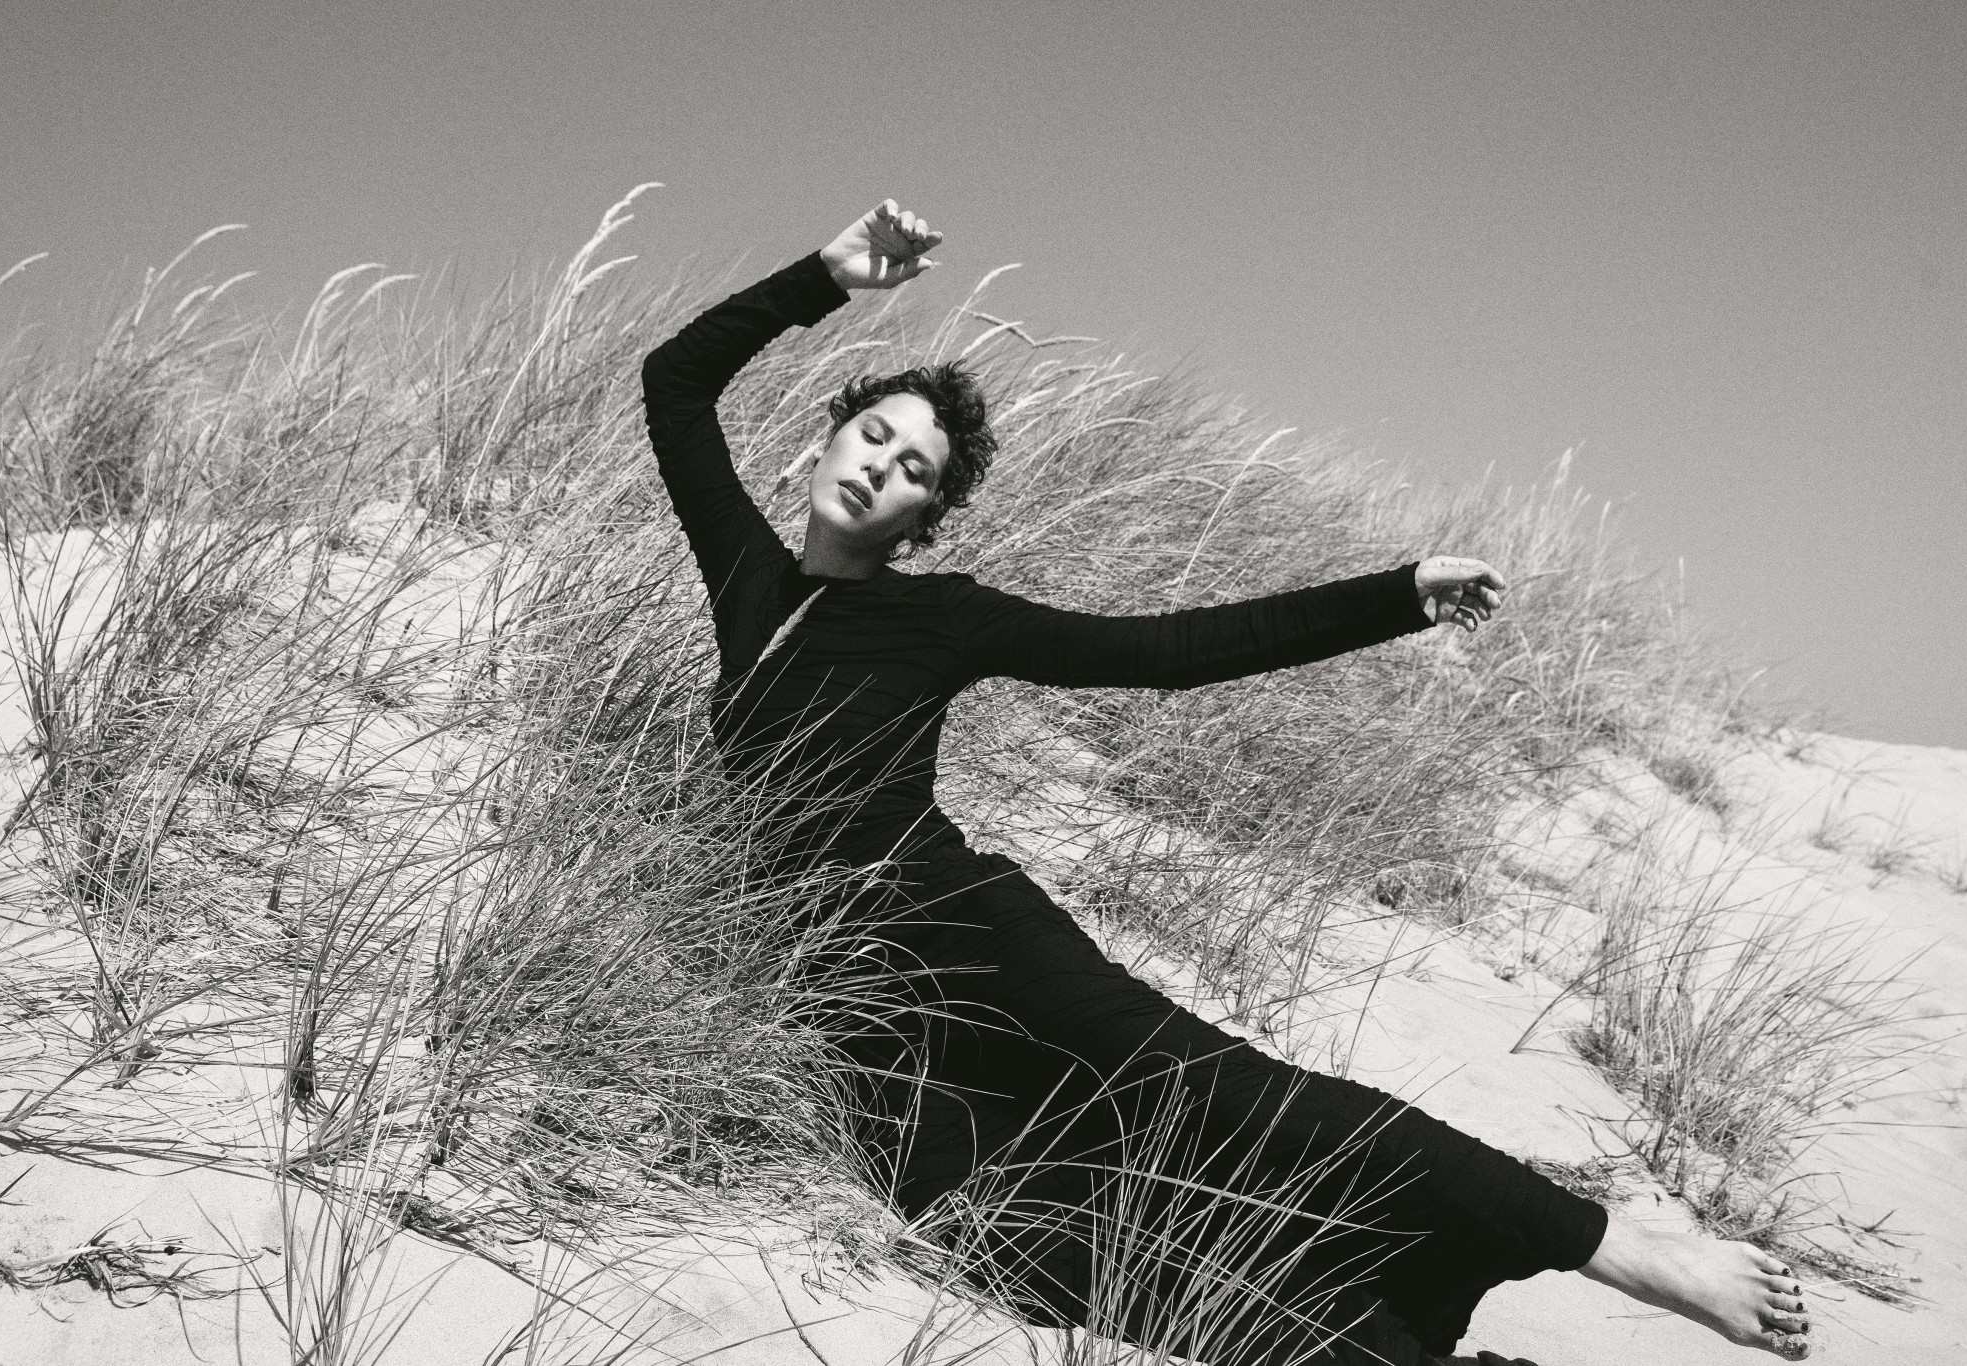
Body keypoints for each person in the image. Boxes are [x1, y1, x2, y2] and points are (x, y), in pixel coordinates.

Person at [641, 200, 1812, 1365]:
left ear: (921, 520)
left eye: (913, 470)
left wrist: (1392, 594)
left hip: (965, 930)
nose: (880, 468)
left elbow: (1173, 651)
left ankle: (1616, 1247)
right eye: (872, 437)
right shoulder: (748, 578)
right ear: (827, 440)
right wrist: (829, 274)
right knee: (1019, 1239)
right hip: (855, 1005)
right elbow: (674, 382)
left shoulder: (942, 616)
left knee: (1232, 1095)